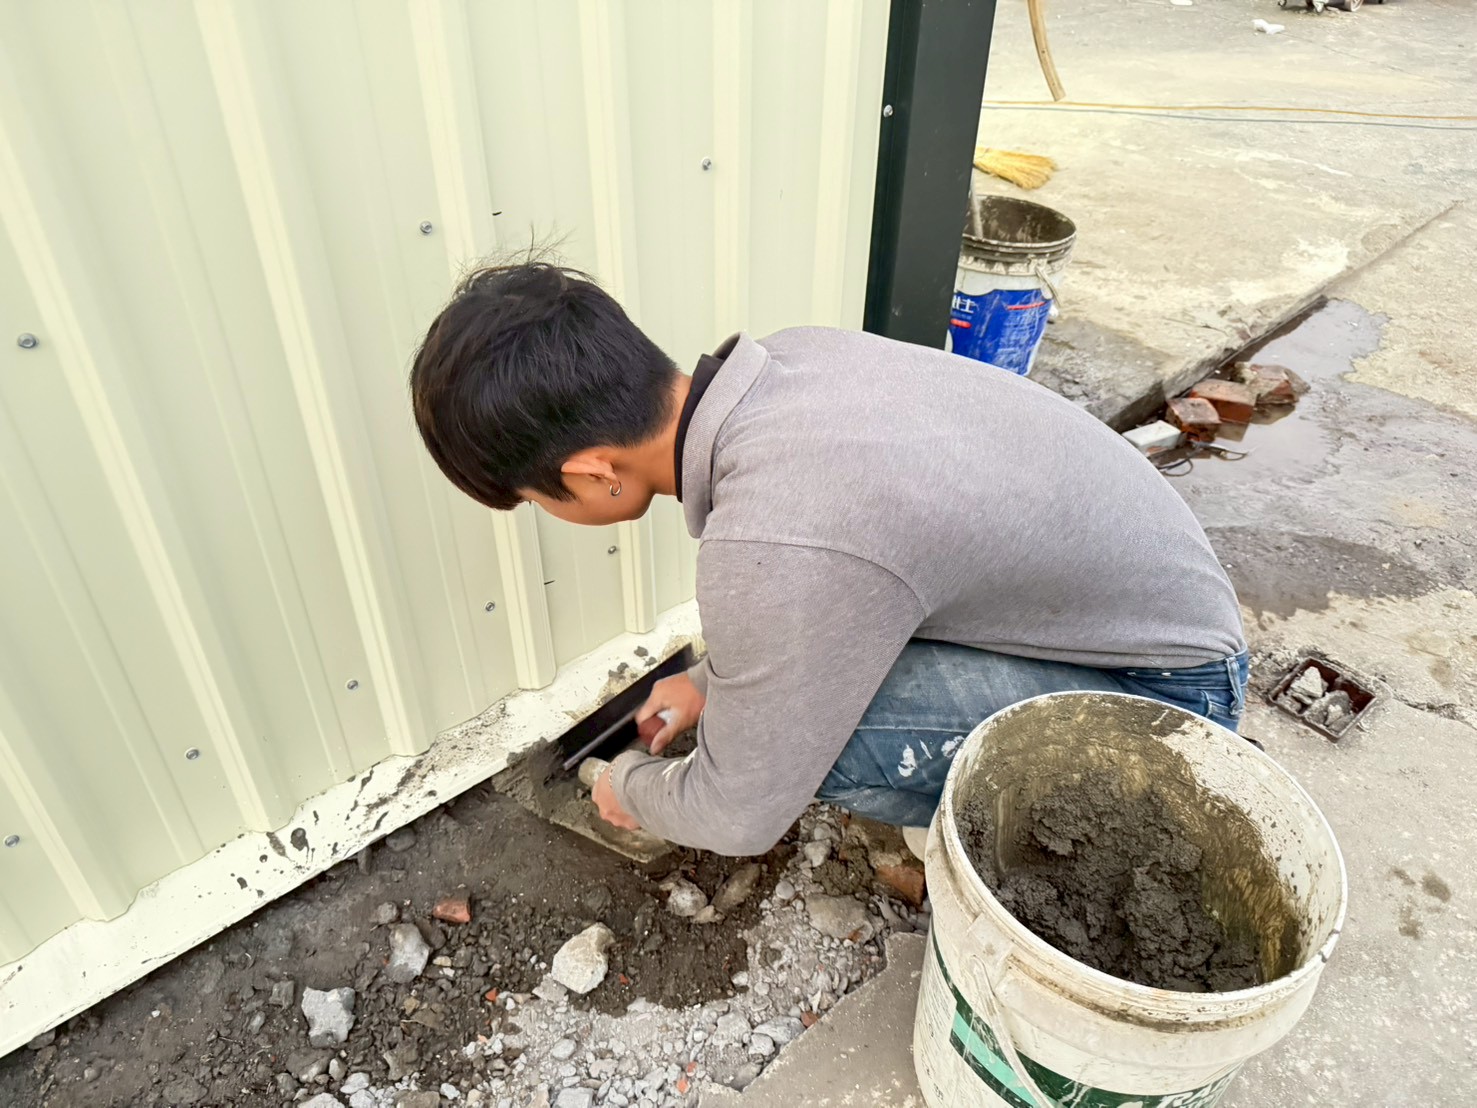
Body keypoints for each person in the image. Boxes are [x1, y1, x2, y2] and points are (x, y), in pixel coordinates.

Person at [409, 262, 1247, 856]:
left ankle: (1071, 828)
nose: (548, 516)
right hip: (1146, 622)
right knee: (787, 693)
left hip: (1166, 709)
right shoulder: (795, 359)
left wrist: (627, 786)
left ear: (592, 473)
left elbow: (739, 815)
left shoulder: (775, 536)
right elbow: (851, 572)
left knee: (800, 749)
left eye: (537, 500)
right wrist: (706, 682)